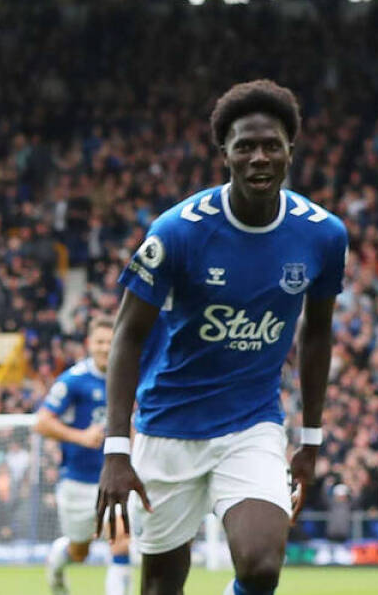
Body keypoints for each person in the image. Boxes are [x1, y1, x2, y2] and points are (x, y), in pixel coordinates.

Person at [96, 79, 347, 595]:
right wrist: (117, 449)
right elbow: (126, 336)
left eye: (271, 145)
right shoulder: (177, 232)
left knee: (261, 568)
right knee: (161, 586)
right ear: (224, 154)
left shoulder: (323, 235)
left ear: (290, 150)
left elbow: (318, 332)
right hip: (169, 428)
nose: (259, 157)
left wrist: (311, 440)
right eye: (245, 146)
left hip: (252, 425)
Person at [36, 316, 131, 595]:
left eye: (111, 342)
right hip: (77, 480)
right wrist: (81, 437)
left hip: (114, 479)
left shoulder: (129, 377)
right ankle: (59, 558)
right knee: (80, 552)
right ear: (89, 344)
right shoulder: (73, 380)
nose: (105, 348)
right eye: (100, 342)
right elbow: (41, 423)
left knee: (121, 539)